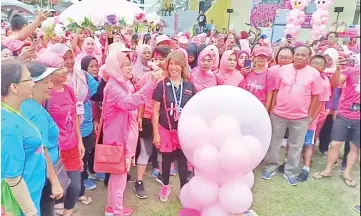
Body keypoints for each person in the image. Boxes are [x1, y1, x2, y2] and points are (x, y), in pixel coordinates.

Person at [103, 51, 163, 216]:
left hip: (122, 137)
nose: (130, 67)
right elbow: (130, 103)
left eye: (130, 63)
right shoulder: (114, 88)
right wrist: (151, 83)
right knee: (119, 177)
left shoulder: (122, 83)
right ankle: (116, 211)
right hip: (119, 139)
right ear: (116, 67)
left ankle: (112, 208)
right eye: (126, 65)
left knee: (118, 175)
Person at [49, 44, 105, 199]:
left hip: (84, 126)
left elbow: (98, 96)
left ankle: (79, 187)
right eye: (64, 58)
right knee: (61, 166)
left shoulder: (83, 76)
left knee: (83, 156)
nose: (68, 61)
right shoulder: (49, 85)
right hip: (61, 134)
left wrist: (107, 78)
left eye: (70, 57)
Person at [262, 46, 322, 186]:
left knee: (296, 146)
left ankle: (291, 172)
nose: (300, 57)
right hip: (279, 114)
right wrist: (274, 109)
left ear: (309, 58)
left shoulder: (314, 74)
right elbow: (277, 90)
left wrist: (309, 117)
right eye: (298, 54)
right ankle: (270, 167)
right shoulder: (282, 70)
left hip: (300, 117)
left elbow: (315, 97)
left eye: (303, 55)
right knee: (274, 143)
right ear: (294, 55)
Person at [37, 51, 85, 216]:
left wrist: (79, 140)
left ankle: (67, 212)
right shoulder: (44, 97)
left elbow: (74, 117)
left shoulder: (69, 90)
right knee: (54, 190)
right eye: (59, 67)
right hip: (54, 151)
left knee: (75, 187)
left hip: (71, 146)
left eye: (64, 66)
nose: (65, 70)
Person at [1, 60, 46, 216]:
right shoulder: (9, 126)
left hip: (33, 192)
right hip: (22, 204)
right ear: (14, 87)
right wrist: (30, 212)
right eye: (28, 79)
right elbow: (13, 177)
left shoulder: (16, 111)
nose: (33, 83)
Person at [152, 50, 197, 202]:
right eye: (170, 64)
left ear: (183, 66)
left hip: (182, 131)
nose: (173, 67)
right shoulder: (161, 86)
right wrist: (156, 133)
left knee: (183, 161)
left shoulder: (189, 86)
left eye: (177, 64)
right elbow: (156, 111)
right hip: (166, 130)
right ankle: (166, 185)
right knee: (166, 160)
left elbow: (195, 109)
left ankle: (184, 189)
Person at [21, 62, 64, 215]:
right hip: (43, 174)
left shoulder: (25, 105)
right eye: (45, 82)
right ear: (31, 85)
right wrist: (55, 181)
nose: (51, 86)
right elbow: (43, 150)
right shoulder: (36, 113)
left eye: (51, 81)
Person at [313, 54, 359, 188]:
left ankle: (347, 173)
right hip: (344, 114)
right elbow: (336, 83)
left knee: (355, 147)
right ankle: (328, 170)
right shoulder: (351, 69)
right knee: (335, 144)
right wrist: (338, 69)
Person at [296, 55, 331, 182]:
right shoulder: (303, 76)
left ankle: (306, 168)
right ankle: (288, 163)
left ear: (324, 66)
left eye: (320, 63)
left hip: (310, 119)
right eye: (314, 62)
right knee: (294, 141)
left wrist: (310, 118)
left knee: (309, 143)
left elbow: (321, 103)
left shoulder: (325, 81)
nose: (316, 65)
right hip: (297, 116)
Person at [245, 46, 276, 111]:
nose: (261, 58)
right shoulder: (248, 72)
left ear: (268, 58)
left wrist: (265, 112)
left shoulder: (270, 74)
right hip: (247, 106)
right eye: (259, 56)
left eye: (264, 57)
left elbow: (269, 97)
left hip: (260, 108)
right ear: (254, 58)